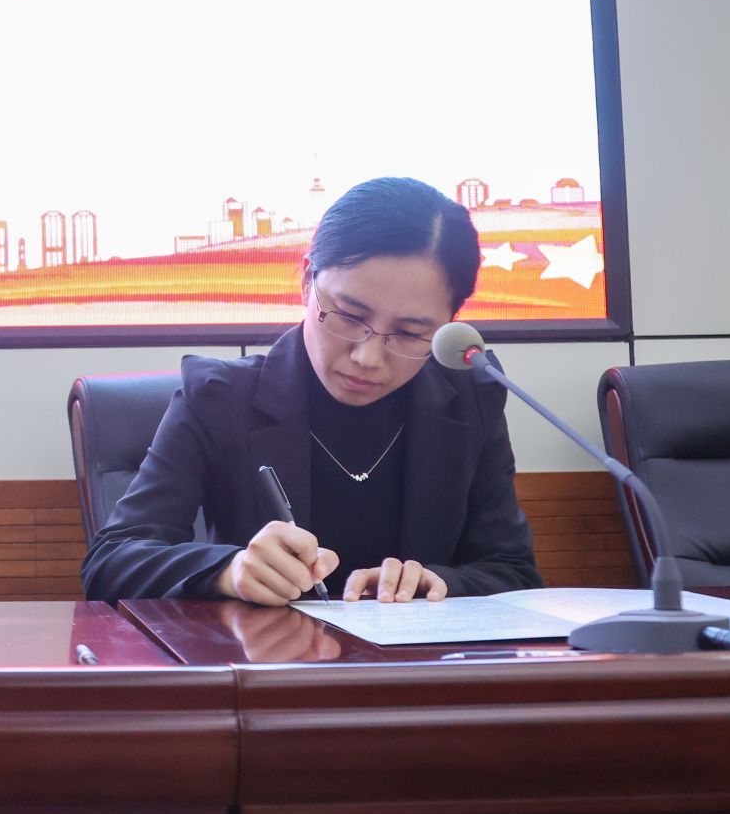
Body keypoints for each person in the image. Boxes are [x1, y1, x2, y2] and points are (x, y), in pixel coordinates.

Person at [81, 176, 540, 605]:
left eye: (409, 333)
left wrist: (442, 584)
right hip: (265, 661)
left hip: (414, 663)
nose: (368, 357)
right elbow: (111, 562)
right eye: (349, 317)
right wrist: (228, 570)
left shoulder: (470, 397)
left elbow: (513, 571)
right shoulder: (219, 397)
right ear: (307, 282)